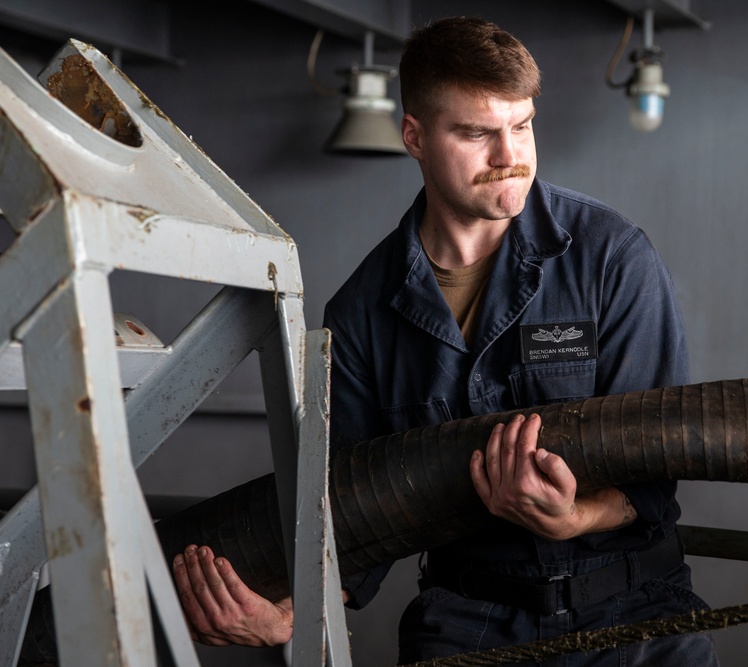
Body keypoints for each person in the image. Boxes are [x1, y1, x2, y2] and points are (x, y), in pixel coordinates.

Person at [173, 16, 718, 665]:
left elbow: (657, 470)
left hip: (635, 608)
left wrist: (576, 517)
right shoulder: (360, 312)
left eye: (521, 125)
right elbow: (352, 509)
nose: (508, 155)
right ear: (415, 135)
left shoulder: (612, 258)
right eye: (476, 132)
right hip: (468, 619)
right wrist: (292, 611)